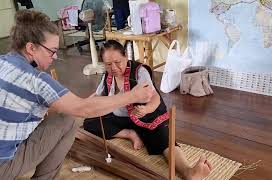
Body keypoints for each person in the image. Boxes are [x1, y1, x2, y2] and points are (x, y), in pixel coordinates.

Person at [0, 10, 154, 180]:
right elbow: (83, 109)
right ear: (31, 47)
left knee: (61, 115)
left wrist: (84, 104)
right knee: (67, 120)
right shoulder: (35, 80)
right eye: (52, 51)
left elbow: (39, 105)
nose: (55, 57)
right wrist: (132, 95)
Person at [83, 40, 212, 180]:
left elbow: (155, 97)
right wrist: (83, 105)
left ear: (126, 56)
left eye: (117, 62)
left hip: (144, 117)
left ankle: (189, 172)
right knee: (90, 122)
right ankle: (129, 134)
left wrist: (146, 110)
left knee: (165, 139)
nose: (113, 67)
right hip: (121, 118)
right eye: (108, 64)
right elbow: (97, 96)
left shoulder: (139, 71)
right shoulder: (107, 76)